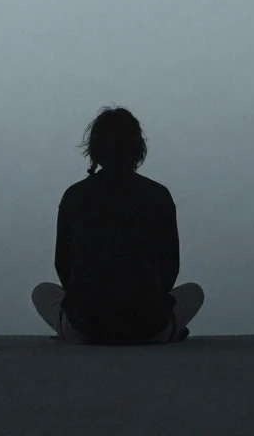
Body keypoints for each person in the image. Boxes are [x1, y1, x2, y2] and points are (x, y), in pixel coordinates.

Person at [31, 105, 204, 344]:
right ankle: (169, 330)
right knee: (194, 291)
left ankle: (72, 330)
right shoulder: (158, 195)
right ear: (138, 148)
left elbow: (64, 266)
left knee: (41, 291)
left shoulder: (75, 195)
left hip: (87, 329)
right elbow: (169, 268)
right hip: (148, 328)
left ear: (95, 148)